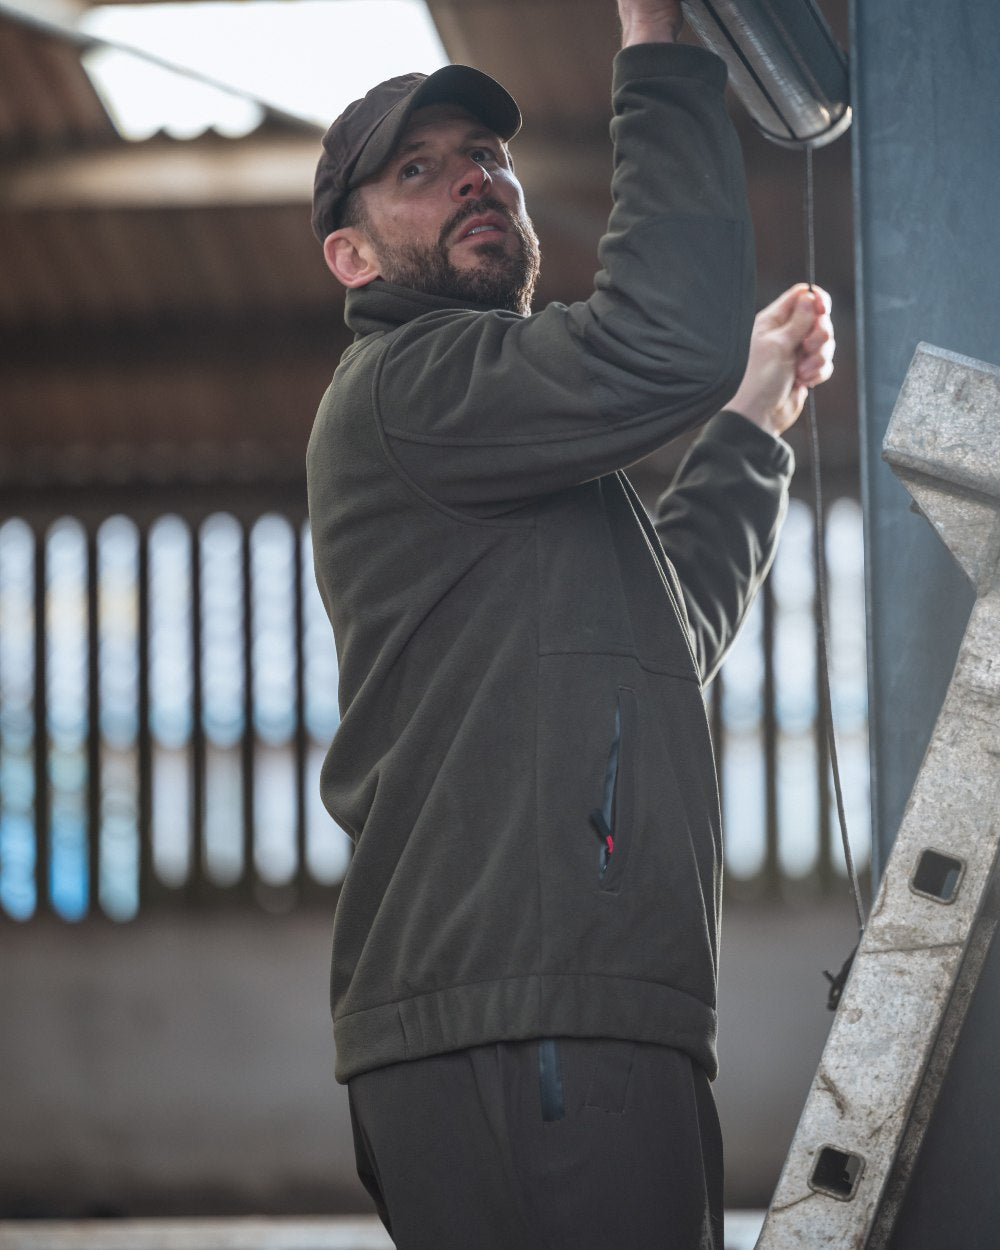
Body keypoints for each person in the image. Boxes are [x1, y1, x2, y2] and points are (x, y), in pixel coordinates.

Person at [306, 0, 834, 1246]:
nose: (474, 182)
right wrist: (656, 39)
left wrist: (751, 426)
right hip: (522, 1013)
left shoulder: (517, 452)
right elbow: (658, 337)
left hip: (563, 1009)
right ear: (353, 258)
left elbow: (669, 629)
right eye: (419, 172)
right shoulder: (411, 387)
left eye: (486, 159)